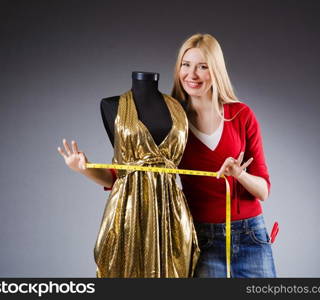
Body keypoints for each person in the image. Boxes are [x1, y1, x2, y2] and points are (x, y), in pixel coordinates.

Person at [57, 72, 199, 277]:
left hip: (171, 208)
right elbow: (119, 175)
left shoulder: (181, 108)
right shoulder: (111, 105)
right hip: (128, 206)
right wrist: (83, 168)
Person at [172, 33, 277, 278]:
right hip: (201, 239)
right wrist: (83, 167)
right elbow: (126, 174)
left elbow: (263, 191)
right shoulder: (172, 120)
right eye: (185, 65)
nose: (192, 75)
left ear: (216, 70)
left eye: (202, 67)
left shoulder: (241, 115)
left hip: (250, 235)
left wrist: (239, 174)